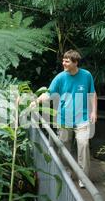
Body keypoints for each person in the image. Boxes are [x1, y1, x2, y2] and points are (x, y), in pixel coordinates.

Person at [31, 50, 97, 188]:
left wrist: (94, 112)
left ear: (75, 62)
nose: (64, 63)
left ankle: (83, 178)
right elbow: (48, 94)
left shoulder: (86, 76)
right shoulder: (60, 78)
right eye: (63, 60)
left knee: (83, 145)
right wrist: (36, 101)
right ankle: (67, 170)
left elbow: (92, 94)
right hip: (64, 119)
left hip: (82, 118)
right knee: (64, 147)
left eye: (67, 61)